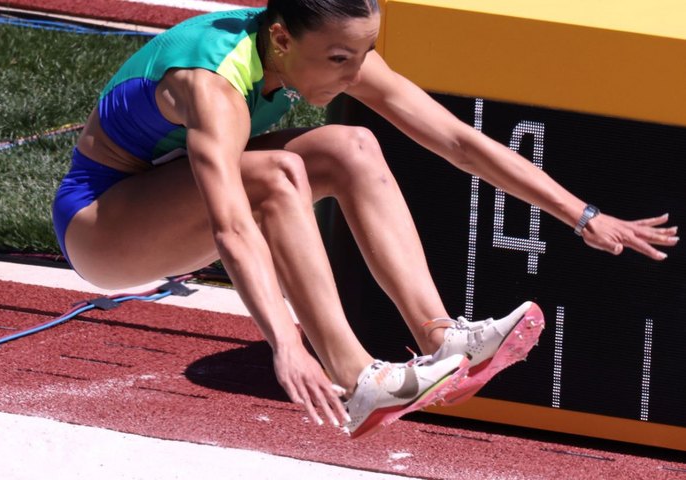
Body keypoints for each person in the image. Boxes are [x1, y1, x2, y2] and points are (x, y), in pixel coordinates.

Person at [52, 1, 679, 438]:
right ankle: (357, 378)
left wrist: (583, 215)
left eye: (366, 52)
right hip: (102, 227)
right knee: (278, 175)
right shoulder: (213, 87)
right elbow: (233, 229)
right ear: (281, 40)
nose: (357, 73)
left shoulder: (316, 45)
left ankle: (443, 336)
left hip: (166, 199)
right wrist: (286, 345)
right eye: (340, 59)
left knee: (353, 145)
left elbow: (457, 140)